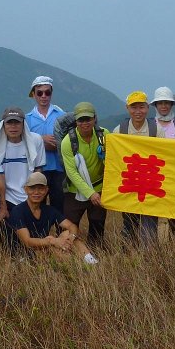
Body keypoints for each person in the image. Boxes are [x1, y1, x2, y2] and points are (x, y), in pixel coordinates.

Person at [0, 107, 46, 247]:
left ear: (23, 124)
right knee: (9, 238)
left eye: (17, 123)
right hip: (9, 198)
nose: (13, 127)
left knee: (35, 237)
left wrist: (36, 197)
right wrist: (3, 206)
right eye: (9, 123)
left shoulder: (35, 141)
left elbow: (38, 171)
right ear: (3, 125)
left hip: (31, 196)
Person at [8, 172, 98, 263]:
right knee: (52, 247)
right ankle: (78, 265)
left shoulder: (49, 210)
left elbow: (72, 226)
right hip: (26, 254)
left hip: (46, 247)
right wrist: (52, 241)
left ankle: (91, 262)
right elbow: (27, 242)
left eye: (41, 188)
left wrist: (71, 237)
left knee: (67, 234)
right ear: (26, 189)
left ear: (46, 190)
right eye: (32, 188)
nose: (36, 192)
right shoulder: (18, 211)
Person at [113, 91, 164, 245]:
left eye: (141, 107)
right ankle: (128, 257)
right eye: (133, 107)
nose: (138, 111)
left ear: (147, 108)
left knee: (149, 227)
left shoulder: (156, 129)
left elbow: (164, 156)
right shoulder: (120, 130)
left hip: (150, 185)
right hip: (129, 185)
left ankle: (148, 259)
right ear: (127, 108)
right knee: (129, 225)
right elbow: (116, 160)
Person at [61, 102, 109, 247]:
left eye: (88, 119)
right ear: (76, 121)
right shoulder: (68, 142)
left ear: (95, 119)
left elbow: (113, 161)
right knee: (70, 224)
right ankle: (69, 250)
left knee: (97, 224)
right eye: (81, 120)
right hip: (75, 191)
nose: (85, 123)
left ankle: (95, 253)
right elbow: (72, 173)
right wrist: (90, 193)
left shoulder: (104, 134)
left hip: (99, 186)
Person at [25, 76, 66, 212]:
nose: (44, 96)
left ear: (51, 93)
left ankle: (61, 233)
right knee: (37, 206)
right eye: (40, 93)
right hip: (37, 169)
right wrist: (41, 139)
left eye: (47, 92)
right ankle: (39, 233)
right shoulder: (27, 118)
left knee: (59, 206)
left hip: (59, 169)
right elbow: (23, 140)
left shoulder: (61, 115)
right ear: (33, 94)